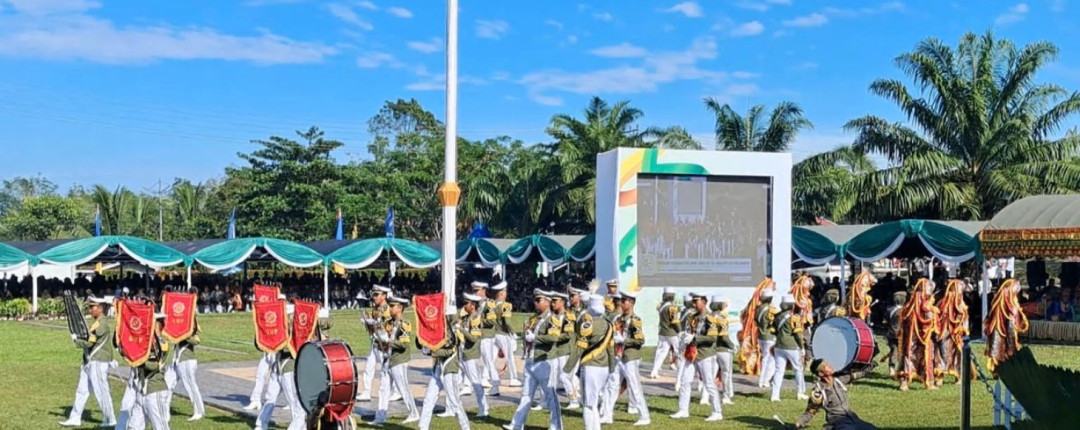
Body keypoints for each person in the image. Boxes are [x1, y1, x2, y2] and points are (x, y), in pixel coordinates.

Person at [504, 289, 563, 430]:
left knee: (550, 396)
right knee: (526, 395)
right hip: (531, 360)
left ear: (547, 302)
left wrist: (535, 338)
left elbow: (554, 338)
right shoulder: (533, 319)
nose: (535, 303)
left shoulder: (552, 319)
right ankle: (517, 424)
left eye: (539, 300)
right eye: (535, 300)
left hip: (545, 361)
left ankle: (556, 426)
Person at [61, 296, 117, 428]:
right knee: (81, 391)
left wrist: (76, 340)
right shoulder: (97, 322)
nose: (91, 310)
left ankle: (110, 418)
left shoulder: (101, 324)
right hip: (90, 361)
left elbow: (89, 342)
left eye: (93, 307)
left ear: (101, 308)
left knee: (101, 391)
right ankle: (75, 417)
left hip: (97, 361)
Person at [564, 294, 614, 430]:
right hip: (604, 367)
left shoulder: (588, 324)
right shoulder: (609, 324)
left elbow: (580, 348)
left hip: (590, 365)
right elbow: (611, 349)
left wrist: (567, 368)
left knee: (587, 405)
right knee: (594, 403)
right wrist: (612, 367)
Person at [671, 293, 723, 422]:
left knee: (709, 383)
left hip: (705, 354)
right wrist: (685, 336)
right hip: (691, 353)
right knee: (685, 380)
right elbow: (690, 331)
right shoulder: (692, 317)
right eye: (693, 302)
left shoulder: (710, 318)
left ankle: (717, 411)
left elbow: (712, 338)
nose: (694, 304)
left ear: (704, 302)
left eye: (697, 302)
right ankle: (683, 410)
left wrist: (694, 338)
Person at [370, 294, 420, 425]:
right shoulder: (389, 323)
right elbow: (382, 338)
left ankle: (414, 413)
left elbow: (404, 344)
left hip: (399, 360)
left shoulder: (405, 324)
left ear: (400, 308)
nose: (390, 309)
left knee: (403, 387)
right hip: (388, 359)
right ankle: (380, 417)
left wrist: (390, 342)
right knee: (383, 388)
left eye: (392, 306)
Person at [255, 302, 306, 430]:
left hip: (287, 366)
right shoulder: (281, 328)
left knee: (293, 401)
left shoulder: (294, 329)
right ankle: (261, 423)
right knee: (272, 398)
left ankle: (299, 426)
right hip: (280, 368)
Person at [603, 289, 650, 426]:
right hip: (618, 356)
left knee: (635, 387)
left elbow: (640, 340)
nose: (621, 304)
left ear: (632, 303)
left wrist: (624, 340)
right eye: (621, 301)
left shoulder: (635, 321)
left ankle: (644, 416)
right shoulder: (618, 319)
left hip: (630, 357)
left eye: (624, 301)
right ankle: (607, 415)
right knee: (612, 385)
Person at [417, 315, 471, 430]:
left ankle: (466, 427)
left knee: (454, 402)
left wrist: (431, 351)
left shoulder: (454, 329)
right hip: (438, 368)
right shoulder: (438, 329)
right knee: (428, 399)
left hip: (450, 368)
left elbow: (449, 350)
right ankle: (423, 427)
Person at [794, 359, 879, 429]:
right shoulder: (819, 392)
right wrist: (797, 424)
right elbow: (810, 412)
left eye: (828, 363)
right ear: (821, 373)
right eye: (825, 366)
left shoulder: (840, 380)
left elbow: (858, 374)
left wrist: (872, 365)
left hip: (853, 418)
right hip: (838, 423)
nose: (829, 366)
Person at [128, 314, 172, 430]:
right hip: (142, 388)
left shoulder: (162, 343)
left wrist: (135, 357)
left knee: (160, 426)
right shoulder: (145, 343)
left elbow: (152, 365)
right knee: (134, 425)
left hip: (155, 389)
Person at [247, 293, 288, 410]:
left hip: (279, 351)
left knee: (281, 378)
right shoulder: (273, 313)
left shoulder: (288, 317)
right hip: (268, 349)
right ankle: (255, 399)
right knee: (260, 374)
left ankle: (289, 400)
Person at [898, 279, 939, 390]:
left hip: (910, 339)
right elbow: (929, 323)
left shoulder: (908, 306)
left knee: (907, 357)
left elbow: (903, 320)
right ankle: (929, 382)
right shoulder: (927, 307)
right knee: (927, 357)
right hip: (924, 339)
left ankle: (904, 382)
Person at [357, 285, 393, 401]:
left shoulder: (388, 309)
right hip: (375, 342)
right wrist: (366, 320)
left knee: (387, 369)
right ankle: (366, 391)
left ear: (384, 295)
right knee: (369, 367)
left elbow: (386, 326)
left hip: (384, 343)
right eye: (374, 295)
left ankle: (395, 391)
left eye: (377, 295)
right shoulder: (375, 308)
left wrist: (373, 322)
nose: (374, 297)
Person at [771, 294, 808, 401]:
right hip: (792, 346)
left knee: (779, 370)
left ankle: (775, 395)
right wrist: (802, 347)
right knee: (798, 369)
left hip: (779, 345)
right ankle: (800, 393)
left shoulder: (777, 316)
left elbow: (773, 330)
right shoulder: (794, 318)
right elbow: (798, 334)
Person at [460, 292, 491, 417]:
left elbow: (473, 338)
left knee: (475, 382)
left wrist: (462, 330)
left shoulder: (476, 319)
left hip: (471, 353)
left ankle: (483, 407)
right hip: (464, 353)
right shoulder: (467, 318)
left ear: (472, 305)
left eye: (466, 303)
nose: (464, 306)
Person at [167, 318, 205, 422]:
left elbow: (196, 341)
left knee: (190, 386)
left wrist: (182, 333)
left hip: (187, 360)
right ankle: (164, 411)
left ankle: (199, 411)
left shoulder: (191, 328)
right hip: (176, 360)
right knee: (167, 384)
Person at [549, 290, 579, 410]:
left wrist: (553, 337)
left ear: (562, 302)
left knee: (564, 376)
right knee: (561, 376)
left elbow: (568, 334)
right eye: (552, 301)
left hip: (568, 350)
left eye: (555, 301)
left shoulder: (569, 316)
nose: (552, 304)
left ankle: (573, 399)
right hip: (559, 350)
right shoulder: (554, 317)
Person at [491, 280, 522, 388]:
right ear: (502, 293)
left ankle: (485, 377)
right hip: (503, 333)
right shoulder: (506, 305)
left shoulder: (491, 305)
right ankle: (513, 378)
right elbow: (507, 322)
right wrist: (513, 333)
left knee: (491, 358)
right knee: (509, 357)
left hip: (493, 333)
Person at [650, 287, 682, 380]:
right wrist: (680, 330)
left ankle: (654, 371)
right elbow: (675, 321)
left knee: (661, 352)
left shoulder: (661, 306)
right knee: (678, 352)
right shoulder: (671, 307)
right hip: (672, 333)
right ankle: (681, 372)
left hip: (662, 332)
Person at [709, 295, 736, 406]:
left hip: (711, 349)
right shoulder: (722, 318)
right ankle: (726, 396)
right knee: (726, 374)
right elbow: (724, 336)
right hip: (723, 349)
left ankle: (708, 397)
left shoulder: (708, 316)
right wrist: (732, 346)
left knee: (710, 375)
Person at [756, 289, 778, 388]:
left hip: (760, 336)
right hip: (770, 336)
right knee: (771, 359)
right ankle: (765, 380)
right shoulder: (771, 309)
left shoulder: (758, 309)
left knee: (765, 358)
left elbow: (756, 321)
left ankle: (764, 380)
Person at [885, 291, 906, 378]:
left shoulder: (889, 309)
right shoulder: (905, 310)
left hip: (891, 333)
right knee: (901, 352)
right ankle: (898, 370)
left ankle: (892, 369)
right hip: (901, 335)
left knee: (893, 350)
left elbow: (885, 321)